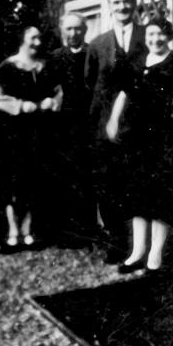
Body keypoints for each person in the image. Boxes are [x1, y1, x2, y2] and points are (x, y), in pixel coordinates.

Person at [106, 15, 173, 272]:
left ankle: (155, 256)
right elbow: (124, 93)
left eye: (160, 34)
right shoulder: (137, 60)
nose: (155, 39)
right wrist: (114, 120)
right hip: (137, 137)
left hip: (166, 136)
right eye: (150, 35)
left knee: (160, 197)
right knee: (138, 194)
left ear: (169, 36)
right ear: (145, 37)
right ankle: (137, 252)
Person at [84, 0, 147, 259]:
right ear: (110, 7)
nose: (122, 7)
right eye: (117, 2)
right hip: (105, 126)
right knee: (109, 184)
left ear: (134, 5)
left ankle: (140, 245)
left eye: (127, 2)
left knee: (137, 182)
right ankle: (116, 241)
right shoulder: (98, 44)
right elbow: (90, 82)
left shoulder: (148, 37)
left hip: (141, 123)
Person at [0, 26, 62, 249]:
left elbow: (58, 91)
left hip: (39, 131)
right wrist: (19, 105)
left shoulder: (46, 66)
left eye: (40, 37)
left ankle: (29, 228)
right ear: (22, 40)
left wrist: (52, 102)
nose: (38, 42)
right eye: (33, 38)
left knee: (34, 181)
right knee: (10, 181)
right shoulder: (8, 67)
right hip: (12, 132)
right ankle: (12, 229)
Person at [50, 12, 96, 244]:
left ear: (85, 30)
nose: (73, 33)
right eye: (68, 29)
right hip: (62, 128)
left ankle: (87, 231)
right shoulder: (54, 58)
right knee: (63, 178)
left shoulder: (93, 55)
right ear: (62, 31)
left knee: (87, 179)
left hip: (87, 126)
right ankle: (65, 231)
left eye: (77, 29)